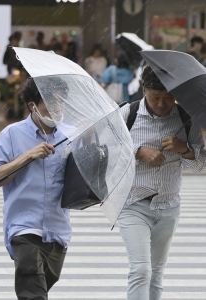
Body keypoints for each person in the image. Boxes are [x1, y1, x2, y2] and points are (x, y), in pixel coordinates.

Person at [118, 66, 206, 300]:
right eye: (156, 97)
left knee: (156, 274)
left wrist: (184, 149)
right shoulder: (127, 115)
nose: (162, 103)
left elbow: (201, 165)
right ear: (144, 89)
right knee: (140, 270)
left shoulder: (187, 118)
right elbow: (106, 154)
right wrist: (138, 152)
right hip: (133, 204)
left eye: (168, 97)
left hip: (168, 207)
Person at [0, 77, 71, 300]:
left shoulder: (71, 135)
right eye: (52, 104)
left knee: (35, 291)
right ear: (33, 106)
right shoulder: (11, 134)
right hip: (23, 228)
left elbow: (87, 181)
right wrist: (27, 156)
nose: (58, 109)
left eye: (62, 103)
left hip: (57, 230)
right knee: (33, 294)